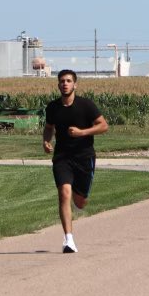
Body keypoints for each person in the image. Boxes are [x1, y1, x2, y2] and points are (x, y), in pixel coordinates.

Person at [43, 69, 109, 254]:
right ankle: (68, 240)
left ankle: (77, 195)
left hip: (84, 157)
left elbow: (103, 126)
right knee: (64, 193)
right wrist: (46, 141)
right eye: (62, 81)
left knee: (80, 202)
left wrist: (82, 132)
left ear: (75, 84)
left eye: (69, 81)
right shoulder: (53, 107)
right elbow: (49, 128)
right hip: (62, 157)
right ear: (58, 85)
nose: (65, 84)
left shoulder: (86, 105)